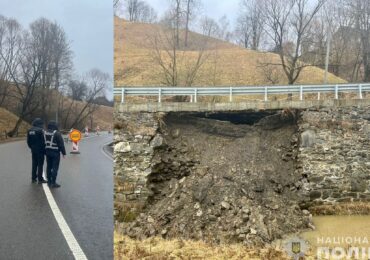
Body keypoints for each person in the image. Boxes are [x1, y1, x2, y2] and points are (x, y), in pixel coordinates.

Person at [44, 121, 66, 188]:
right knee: (55, 168)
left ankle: (49, 181)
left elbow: (43, 143)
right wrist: (63, 153)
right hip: (55, 153)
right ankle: (53, 183)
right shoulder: (57, 133)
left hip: (47, 152)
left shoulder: (45, 132)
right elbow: (61, 144)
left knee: (49, 167)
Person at [27, 118, 47, 184]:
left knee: (34, 164)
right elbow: (43, 141)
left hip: (33, 150)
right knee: (40, 164)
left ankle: (33, 178)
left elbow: (28, 141)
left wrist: (31, 147)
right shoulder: (41, 131)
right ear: (40, 124)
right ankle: (40, 179)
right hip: (40, 150)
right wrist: (44, 150)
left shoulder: (29, 130)